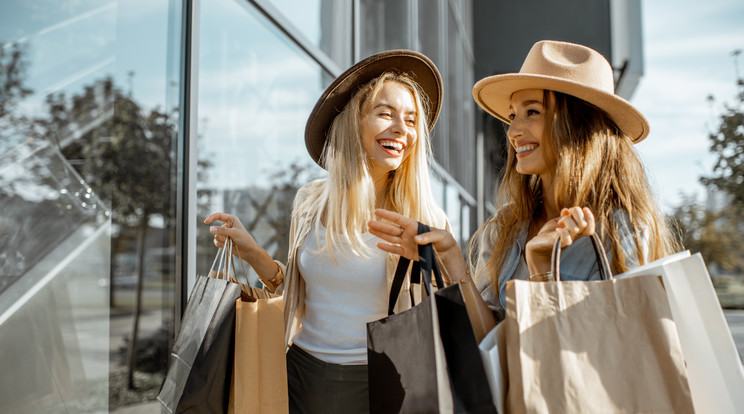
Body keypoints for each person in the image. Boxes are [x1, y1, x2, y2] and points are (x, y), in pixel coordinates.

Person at [205, 50, 450, 413]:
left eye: (411, 119)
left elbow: (444, 317)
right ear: (354, 122)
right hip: (298, 375)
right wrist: (253, 254)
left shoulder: (424, 217)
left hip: (380, 386)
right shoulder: (310, 201)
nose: (402, 128)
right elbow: (305, 295)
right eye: (386, 113)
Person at [370, 40, 680, 311]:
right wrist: (450, 259)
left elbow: (619, 349)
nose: (514, 131)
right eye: (513, 115)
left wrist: (542, 271)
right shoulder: (507, 227)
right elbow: (488, 344)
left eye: (532, 112)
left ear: (579, 126)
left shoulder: (622, 230)